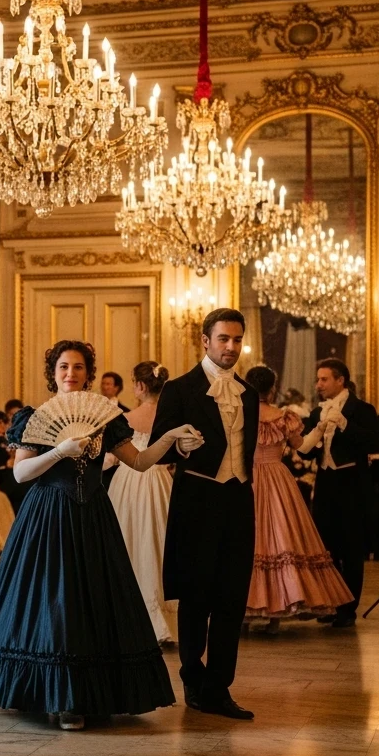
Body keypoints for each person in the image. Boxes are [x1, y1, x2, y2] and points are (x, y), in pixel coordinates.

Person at [0, 341, 188, 730]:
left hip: (93, 517)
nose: (71, 373)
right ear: (53, 373)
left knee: (92, 600)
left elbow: (138, 462)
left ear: (88, 374)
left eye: (79, 367)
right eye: (64, 367)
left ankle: (84, 696)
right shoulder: (35, 417)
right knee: (53, 601)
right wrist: (59, 452)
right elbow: (21, 473)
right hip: (47, 516)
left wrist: (169, 439)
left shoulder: (106, 418)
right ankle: (54, 696)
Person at [152, 308, 259, 720]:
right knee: (196, 596)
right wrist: (180, 446)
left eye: (237, 340)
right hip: (197, 499)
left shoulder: (249, 393)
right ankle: (193, 679)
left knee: (232, 598)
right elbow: (161, 445)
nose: (231, 347)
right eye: (224, 339)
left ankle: (220, 687)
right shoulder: (180, 389)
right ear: (205, 340)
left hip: (238, 499)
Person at [242, 366, 353, 633]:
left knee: (247, 542)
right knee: (281, 538)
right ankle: (275, 617)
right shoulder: (283, 417)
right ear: (272, 389)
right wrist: (321, 427)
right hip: (278, 480)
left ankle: (243, 612)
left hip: (247, 479)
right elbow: (303, 446)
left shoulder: (238, 415)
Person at [297, 359, 379, 629]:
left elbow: (374, 442)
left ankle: (348, 609)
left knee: (352, 549)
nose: (318, 385)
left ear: (340, 380)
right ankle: (331, 603)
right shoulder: (316, 412)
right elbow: (306, 453)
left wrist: (345, 424)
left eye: (324, 379)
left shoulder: (362, 409)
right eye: (318, 380)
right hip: (326, 483)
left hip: (352, 483)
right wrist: (312, 436)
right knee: (327, 547)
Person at [107, 361, 178, 644]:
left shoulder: (125, 418)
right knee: (160, 543)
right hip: (160, 480)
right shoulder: (171, 416)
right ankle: (164, 617)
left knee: (129, 540)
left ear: (140, 386)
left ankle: (130, 615)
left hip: (129, 480)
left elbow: (112, 458)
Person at [99, 372, 129, 491]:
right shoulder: (94, 408)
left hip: (116, 459)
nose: (104, 387)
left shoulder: (125, 411)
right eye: (103, 383)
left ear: (117, 387)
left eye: (108, 384)